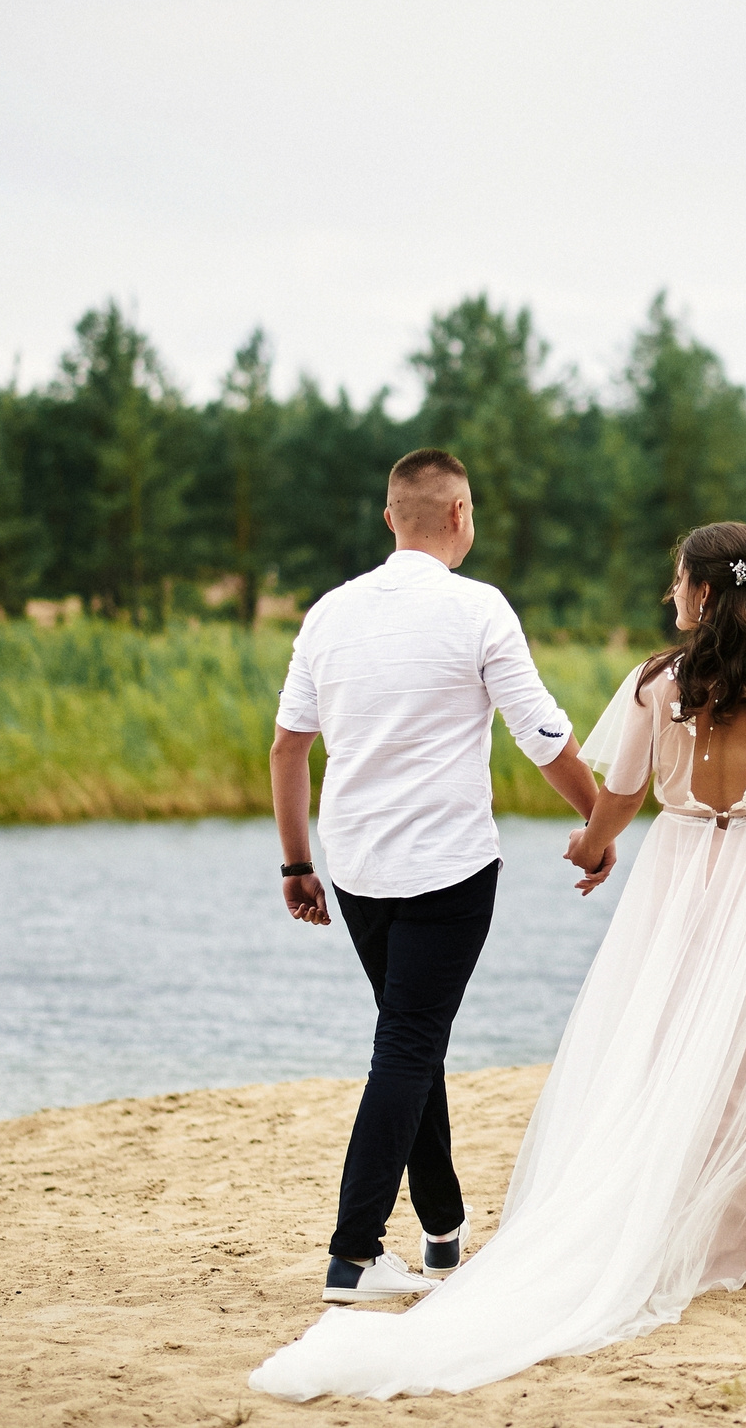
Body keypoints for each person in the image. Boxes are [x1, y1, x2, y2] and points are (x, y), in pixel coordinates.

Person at [252, 521, 746, 1402]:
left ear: (698, 591)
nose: (672, 594)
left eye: (676, 581)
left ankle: (673, 1210)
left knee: (664, 1038)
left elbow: (621, 791)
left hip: (681, 872)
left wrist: (590, 846)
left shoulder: (658, 682)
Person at [267, 448, 614, 1309]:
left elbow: (287, 747)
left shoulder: (328, 613)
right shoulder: (479, 609)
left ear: (392, 517)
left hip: (354, 866)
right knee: (409, 1042)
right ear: (461, 514)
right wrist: (599, 825)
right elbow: (542, 735)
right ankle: (352, 1254)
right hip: (449, 867)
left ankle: (445, 1231)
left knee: (411, 1034)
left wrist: (298, 862)